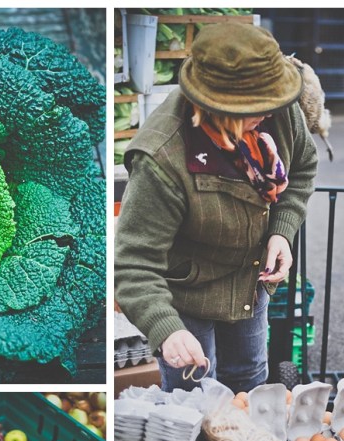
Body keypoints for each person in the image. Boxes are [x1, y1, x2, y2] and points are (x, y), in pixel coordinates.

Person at [115, 22, 318, 392]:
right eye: (253, 110)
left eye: (271, 105)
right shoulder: (162, 158)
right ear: (213, 106)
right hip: (186, 294)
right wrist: (166, 329)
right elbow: (134, 264)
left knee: (249, 384)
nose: (268, 114)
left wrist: (281, 232)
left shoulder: (278, 109)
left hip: (250, 281)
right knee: (191, 396)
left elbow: (303, 166)